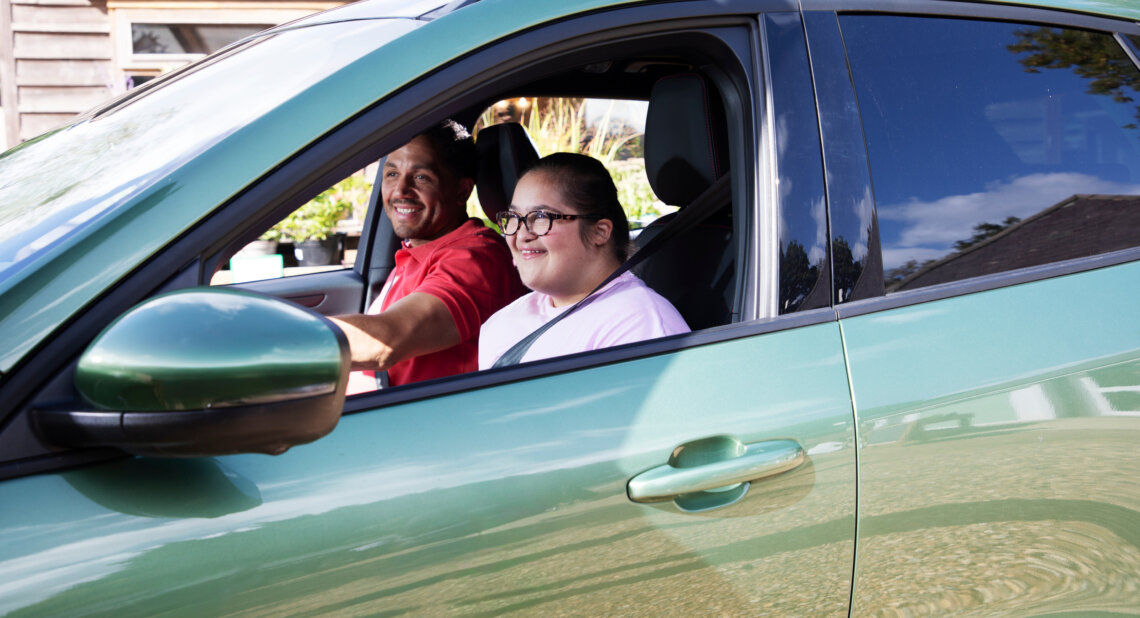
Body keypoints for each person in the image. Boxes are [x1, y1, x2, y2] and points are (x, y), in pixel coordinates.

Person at [332, 120, 524, 392]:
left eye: (421, 177)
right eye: (391, 174)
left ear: (462, 191)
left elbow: (385, 341)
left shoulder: (475, 258)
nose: (400, 191)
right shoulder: (420, 248)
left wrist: (278, 341)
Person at [479, 152, 689, 369]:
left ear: (600, 232)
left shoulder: (639, 327)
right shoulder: (501, 323)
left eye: (541, 217)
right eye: (514, 218)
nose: (521, 236)